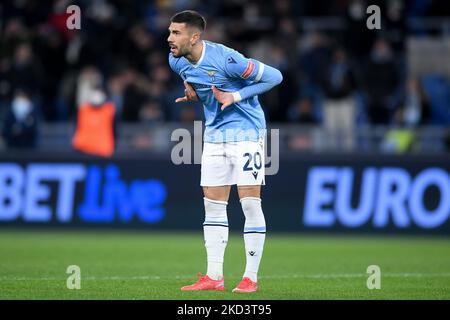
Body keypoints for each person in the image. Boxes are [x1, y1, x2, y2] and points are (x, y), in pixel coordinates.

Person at [167, 10, 282, 293]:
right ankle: (214, 277)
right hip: (215, 136)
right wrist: (193, 89)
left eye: (176, 33)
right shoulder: (176, 60)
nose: (169, 38)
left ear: (194, 37)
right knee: (213, 206)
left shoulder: (228, 60)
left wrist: (235, 96)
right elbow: (197, 81)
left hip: (246, 133)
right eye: (170, 32)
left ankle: (250, 278)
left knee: (250, 204)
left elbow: (275, 77)